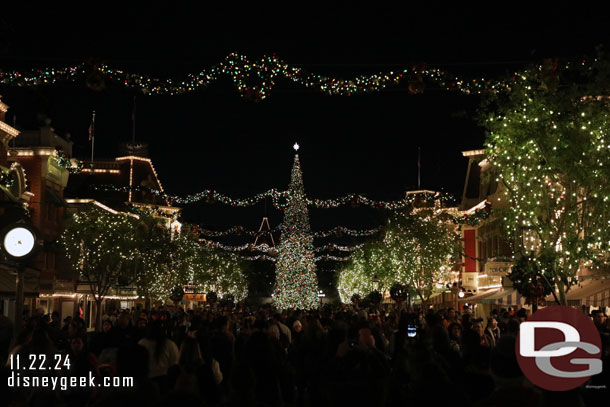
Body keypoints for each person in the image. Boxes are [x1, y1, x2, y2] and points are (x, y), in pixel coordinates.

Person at [138, 320, 180, 391]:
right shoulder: (170, 344)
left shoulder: (142, 343)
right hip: (164, 379)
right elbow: (175, 363)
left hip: (147, 379)